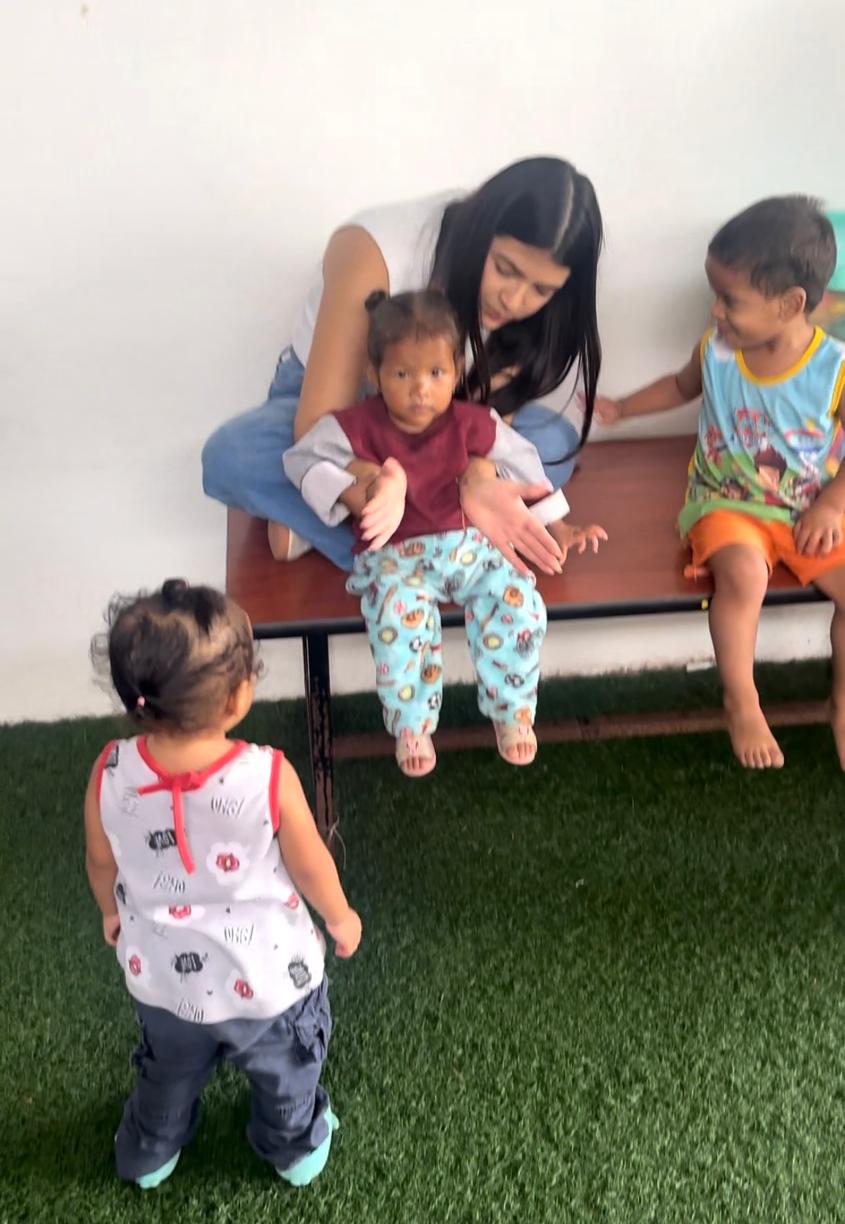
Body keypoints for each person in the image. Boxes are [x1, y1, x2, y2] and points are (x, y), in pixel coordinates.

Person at [83, 579, 362, 1189]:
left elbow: (100, 860)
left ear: (136, 699)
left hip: (164, 982)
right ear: (238, 697)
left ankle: (149, 1151)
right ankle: (292, 1147)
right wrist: (340, 916)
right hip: (270, 982)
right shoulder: (267, 775)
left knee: (166, 1071)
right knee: (286, 1070)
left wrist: (109, 910)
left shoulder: (110, 769)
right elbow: (311, 863)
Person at [202, 157, 603, 576]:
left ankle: (337, 521)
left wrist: (478, 478)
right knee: (235, 454)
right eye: (505, 270)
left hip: (446, 416)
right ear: (480, 232)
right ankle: (438, 543)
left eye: (541, 290)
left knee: (554, 439)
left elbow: (487, 423)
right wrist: (373, 489)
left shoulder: (538, 317)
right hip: (344, 413)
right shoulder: (372, 250)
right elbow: (319, 432)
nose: (514, 301)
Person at [283, 289, 606, 776]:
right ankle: (412, 725)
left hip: (472, 548)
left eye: (436, 373)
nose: (420, 390)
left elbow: (522, 462)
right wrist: (355, 484)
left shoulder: (472, 422)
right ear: (373, 374)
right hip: (396, 558)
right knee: (398, 619)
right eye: (402, 374)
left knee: (519, 603)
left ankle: (513, 712)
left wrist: (558, 523)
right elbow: (300, 460)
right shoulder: (354, 426)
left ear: (456, 371)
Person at [595, 196, 845, 770]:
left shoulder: (833, 368)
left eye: (730, 300)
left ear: (791, 304)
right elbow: (680, 387)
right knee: (742, 577)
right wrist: (622, 408)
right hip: (724, 504)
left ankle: (841, 701)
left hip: (807, 509)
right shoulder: (717, 352)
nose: (715, 311)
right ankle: (742, 701)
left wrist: (831, 506)